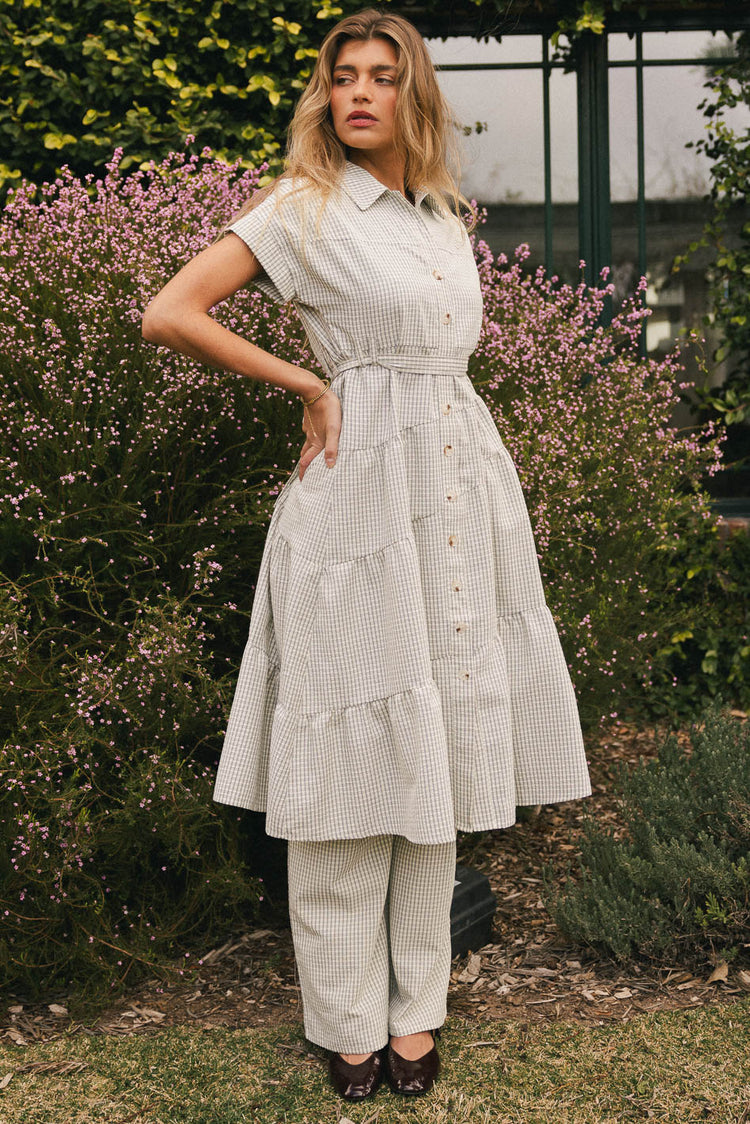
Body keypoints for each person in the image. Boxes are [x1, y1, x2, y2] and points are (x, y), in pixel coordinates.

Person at [141, 7, 591, 1102]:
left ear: (411, 97)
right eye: (343, 76)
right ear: (323, 95)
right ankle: (346, 1024)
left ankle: (416, 1014)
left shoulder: (442, 215)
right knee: (347, 771)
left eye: (383, 77)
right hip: (354, 506)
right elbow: (170, 310)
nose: (359, 94)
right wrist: (306, 383)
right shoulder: (303, 209)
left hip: (456, 497)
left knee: (429, 759)